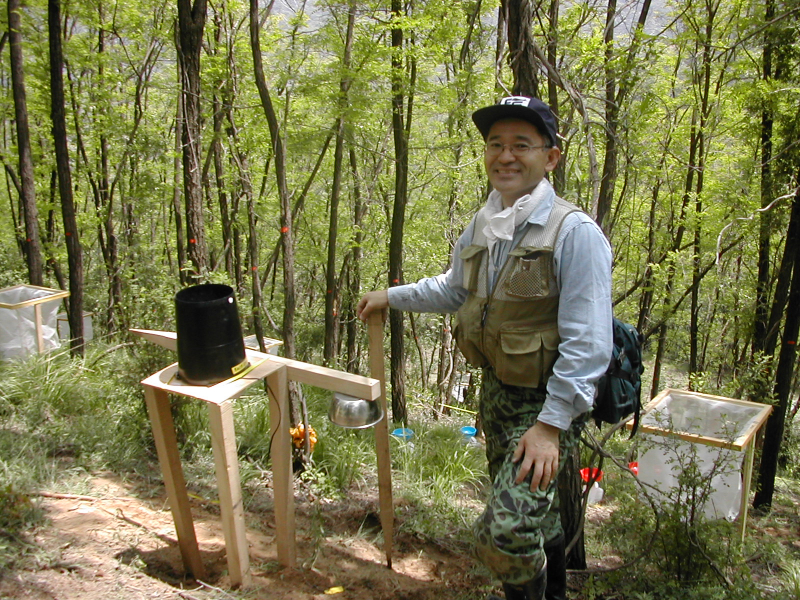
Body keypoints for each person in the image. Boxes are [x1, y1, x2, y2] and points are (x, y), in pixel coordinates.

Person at [357, 96, 613, 600]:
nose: (506, 156)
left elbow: (588, 346)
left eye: (522, 144)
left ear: (551, 157)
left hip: (545, 406)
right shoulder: (486, 224)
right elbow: (455, 289)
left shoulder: (573, 233)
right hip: (497, 395)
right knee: (536, 517)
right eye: (496, 144)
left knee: (506, 531)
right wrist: (392, 295)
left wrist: (549, 428)